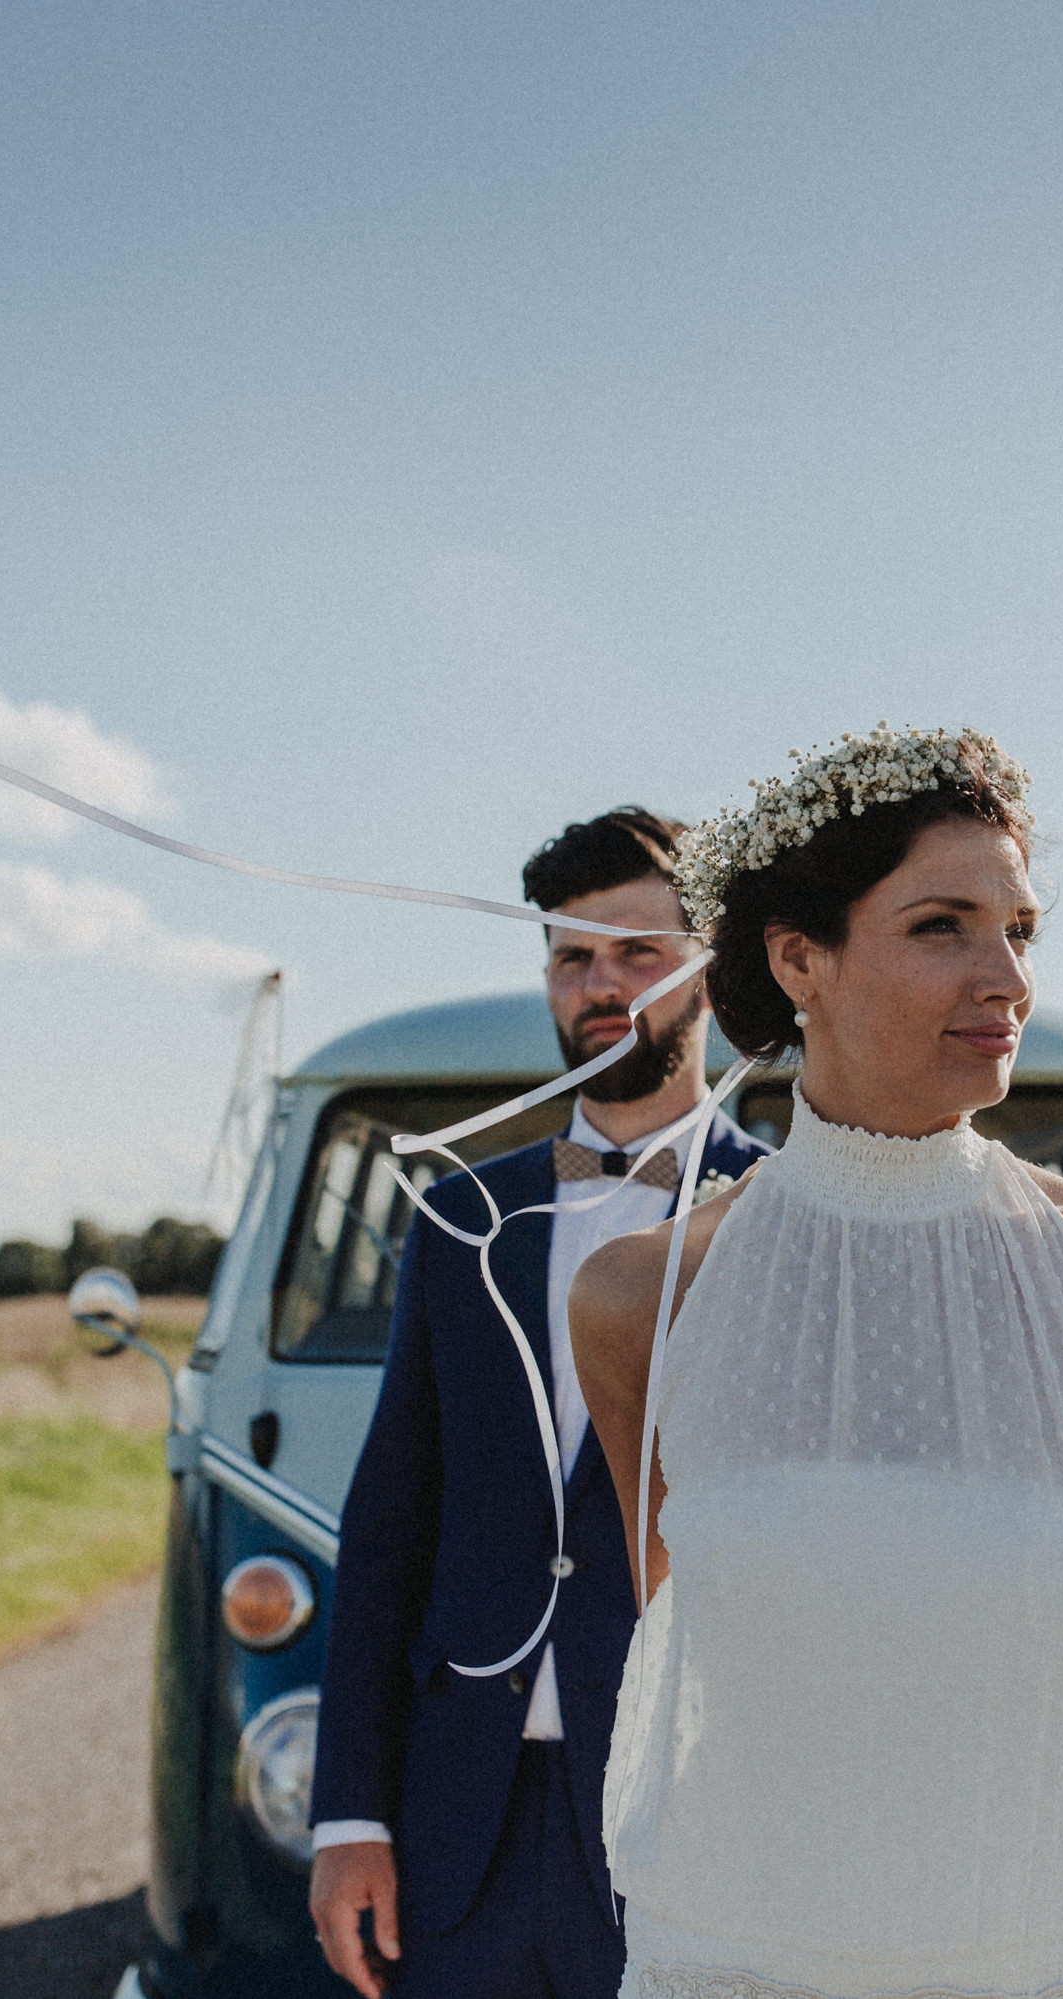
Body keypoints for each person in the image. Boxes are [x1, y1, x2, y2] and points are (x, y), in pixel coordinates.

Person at [569, 729, 1063, 1999]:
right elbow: (708, 1686)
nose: (1006, 976)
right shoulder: (641, 1300)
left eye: (1019, 929)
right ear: (799, 958)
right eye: (942, 927)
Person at [311, 807, 774, 1999]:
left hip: (691, 1824)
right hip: (458, 1819)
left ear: (709, 971)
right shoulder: (459, 1213)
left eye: (634, 951)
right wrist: (347, 1815)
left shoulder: (788, 1218)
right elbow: (388, 1523)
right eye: (571, 958)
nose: (599, 983)